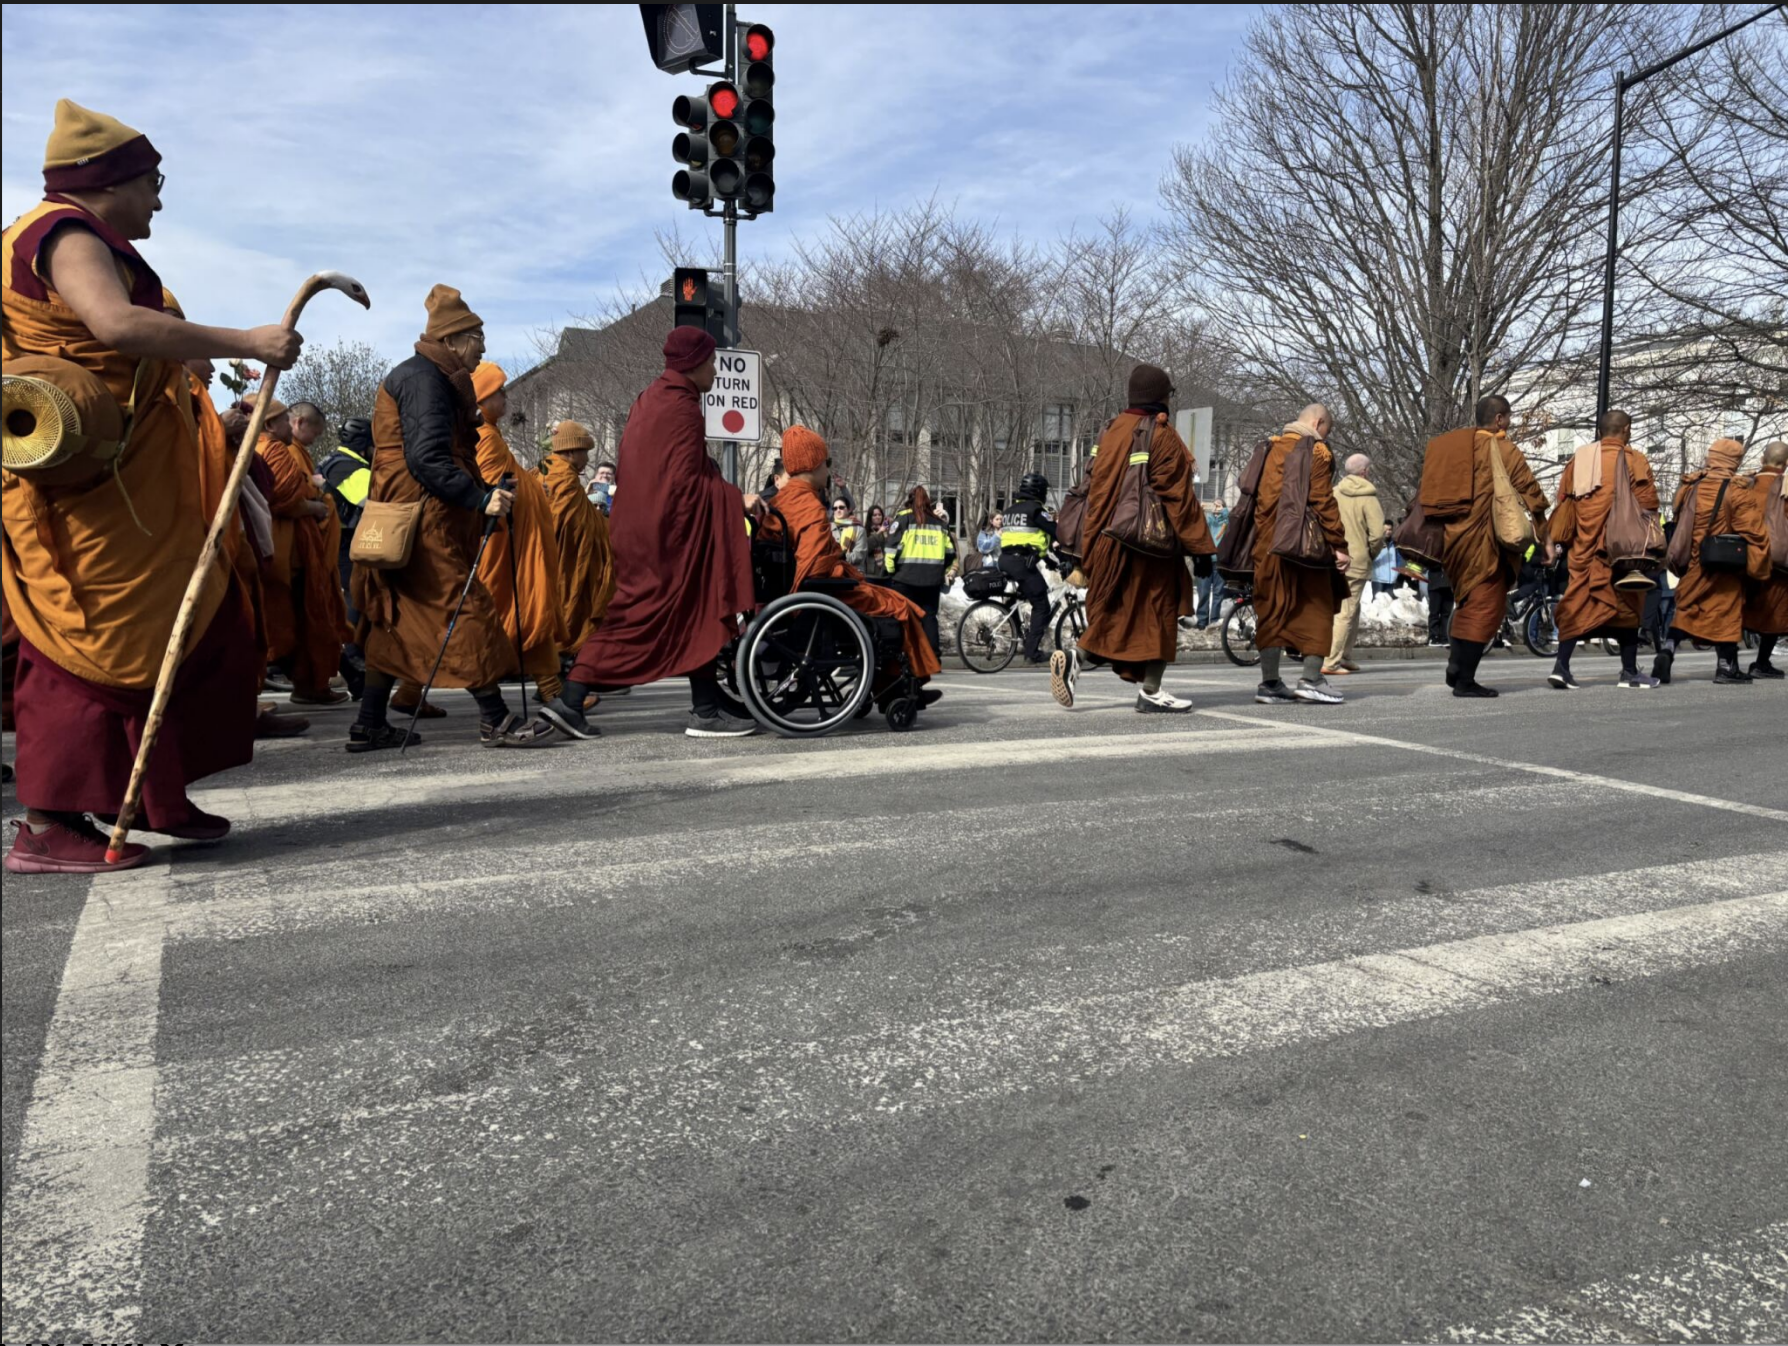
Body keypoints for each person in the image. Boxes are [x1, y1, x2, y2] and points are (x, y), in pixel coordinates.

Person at [2, 98, 299, 873]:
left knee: (191, 621)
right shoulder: (61, 232)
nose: (160, 199)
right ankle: (44, 825)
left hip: (132, 485)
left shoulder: (69, 233)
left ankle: (152, 792)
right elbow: (117, 328)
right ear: (109, 182)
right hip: (91, 493)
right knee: (84, 644)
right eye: (152, 181)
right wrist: (247, 340)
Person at [348, 285, 550, 751]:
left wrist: (483, 492)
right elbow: (427, 458)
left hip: (416, 511)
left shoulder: (436, 378)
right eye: (478, 336)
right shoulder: (425, 379)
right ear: (454, 338)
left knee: (392, 619)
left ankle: (369, 723)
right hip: (422, 517)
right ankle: (495, 719)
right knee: (464, 607)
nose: (483, 346)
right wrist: (479, 501)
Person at [543, 327, 762, 739]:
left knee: (692, 612)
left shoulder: (650, 399)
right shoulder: (681, 409)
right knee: (635, 619)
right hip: (662, 538)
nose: (715, 369)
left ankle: (706, 705)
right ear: (695, 364)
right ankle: (571, 701)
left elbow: (676, 473)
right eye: (712, 361)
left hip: (640, 529)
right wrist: (736, 499)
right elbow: (683, 486)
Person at [1052, 364, 1216, 712]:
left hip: (1103, 541)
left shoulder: (1110, 429)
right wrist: (1200, 547)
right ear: (1160, 396)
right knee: (1160, 610)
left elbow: (1091, 486)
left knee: (1119, 612)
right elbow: (1178, 497)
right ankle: (1150, 690)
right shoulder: (1161, 434)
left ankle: (1078, 659)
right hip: (1147, 545)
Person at [767, 427, 942, 703]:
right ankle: (896, 689)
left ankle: (891, 685)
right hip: (825, 592)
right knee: (901, 608)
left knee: (895, 602)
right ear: (814, 464)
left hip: (811, 591)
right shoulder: (809, 506)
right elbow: (815, 566)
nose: (828, 470)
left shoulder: (784, 499)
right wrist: (843, 571)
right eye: (827, 462)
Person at [1421, 394, 1550, 697]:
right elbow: (1531, 492)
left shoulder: (1453, 450)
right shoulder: (1503, 448)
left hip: (1455, 542)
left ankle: (1456, 666)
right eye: (1508, 418)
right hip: (1487, 544)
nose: (1510, 423)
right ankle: (1464, 679)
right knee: (1486, 608)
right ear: (1499, 419)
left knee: (1466, 603)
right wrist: (1545, 536)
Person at [470, 363, 570, 711]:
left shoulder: (492, 434)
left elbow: (512, 479)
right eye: (499, 392)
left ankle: (551, 686)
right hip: (502, 543)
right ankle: (408, 689)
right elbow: (492, 487)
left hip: (518, 542)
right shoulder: (482, 437)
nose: (505, 398)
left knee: (527, 608)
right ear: (481, 399)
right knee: (503, 613)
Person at [1544, 411, 1662, 690]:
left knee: (1577, 604)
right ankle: (1629, 672)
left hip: (1585, 548)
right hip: (1623, 550)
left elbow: (1564, 503)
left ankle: (1561, 667)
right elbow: (1648, 506)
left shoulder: (1579, 460)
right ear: (1627, 429)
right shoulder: (1634, 459)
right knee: (1629, 604)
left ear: (1600, 432)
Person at [1249, 405, 1349, 704]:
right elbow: (1322, 500)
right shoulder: (1315, 450)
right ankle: (1312, 679)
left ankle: (1269, 683)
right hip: (1302, 547)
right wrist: (1339, 544)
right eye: (1326, 430)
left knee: (1272, 610)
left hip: (1267, 544)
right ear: (1318, 423)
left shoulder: (1269, 448)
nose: (1325, 435)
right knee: (1316, 608)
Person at [255, 398, 351, 705]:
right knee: (299, 619)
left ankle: (309, 684)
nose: (290, 427)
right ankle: (306, 685)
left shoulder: (282, 451)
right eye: (284, 420)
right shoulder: (275, 451)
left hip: (290, 547)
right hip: (286, 550)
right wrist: (315, 506)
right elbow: (284, 498)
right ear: (273, 424)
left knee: (298, 618)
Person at [1656, 437, 1771, 686]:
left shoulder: (1691, 486)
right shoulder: (1736, 490)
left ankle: (1667, 650)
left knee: (1687, 611)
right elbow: (1754, 531)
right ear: (1734, 461)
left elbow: (1678, 518)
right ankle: (1727, 668)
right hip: (1724, 564)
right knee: (1725, 613)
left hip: (1695, 562)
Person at [537, 420, 617, 671]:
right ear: (571, 452)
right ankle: (557, 682)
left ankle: (556, 680)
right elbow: (579, 526)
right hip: (565, 559)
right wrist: (611, 530)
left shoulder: (547, 470)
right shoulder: (563, 479)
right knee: (566, 611)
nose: (586, 458)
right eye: (584, 452)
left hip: (558, 556)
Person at [318, 415, 373, 697]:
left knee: (358, 595)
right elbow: (370, 498)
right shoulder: (345, 465)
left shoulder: (341, 461)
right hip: (343, 541)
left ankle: (356, 651)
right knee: (355, 595)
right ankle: (351, 653)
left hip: (346, 538)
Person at [1322, 452, 1386, 677]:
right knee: (1346, 612)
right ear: (1365, 472)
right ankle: (1331, 661)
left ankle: (1345, 655)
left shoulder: (1333, 493)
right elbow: (1377, 534)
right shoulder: (1369, 497)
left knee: (1351, 609)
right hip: (1357, 560)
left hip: (1333, 559)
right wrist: (1371, 552)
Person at [882, 485, 956, 659]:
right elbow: (950, 553)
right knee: (929, 617)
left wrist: (891, 571)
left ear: (909, 500)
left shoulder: (903, 520)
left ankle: (905, 656)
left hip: (904, 578)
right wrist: (942, 571)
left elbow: (890, 550)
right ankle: (933, 657)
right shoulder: (939, 524)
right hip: (931, 580)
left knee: (904, 618)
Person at [1000, 474, 1057, 665]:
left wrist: (1046, 559)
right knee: (1042, 605)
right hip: (1023, 563)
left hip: (1007, 559)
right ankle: (1032, 652)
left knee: (1024, 596)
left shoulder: (1009, 511)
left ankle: (1020, 632)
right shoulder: (1036, 510)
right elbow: (1056, 532)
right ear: (1039, 491)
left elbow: (1024, 539)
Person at [1742, 440, 1787, 679]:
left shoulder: (1746, 484)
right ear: (1785, 464)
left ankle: (1726, 662)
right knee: (1775, 612)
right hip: (1776, 562)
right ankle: (1761, 662)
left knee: (1738, 609)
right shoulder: (1785, 487)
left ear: (1762, 460)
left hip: (1744, 557)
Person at [832, 497, 867, 569]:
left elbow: (859, 555)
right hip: (832, 571)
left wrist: (840, 557)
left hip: (853, 572)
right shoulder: (827, 528)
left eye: (841, 507)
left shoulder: (859, 529)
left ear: (848, 510)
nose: (838, 510)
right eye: (835, 508)